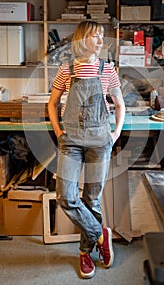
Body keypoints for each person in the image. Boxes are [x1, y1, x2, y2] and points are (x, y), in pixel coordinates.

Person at [48, 20, 125, 279]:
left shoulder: (107, 70)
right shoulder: (66, 69)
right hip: (71, 141)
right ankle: (99, 233)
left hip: (99, 140)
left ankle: (85, 253)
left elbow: (119, 104)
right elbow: (52, 103)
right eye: (96, 36)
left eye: (102, 36)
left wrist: (114, 134)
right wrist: (59, 132)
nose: (101, 41)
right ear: (83, 39)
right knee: (65, 196)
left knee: (92, 197)